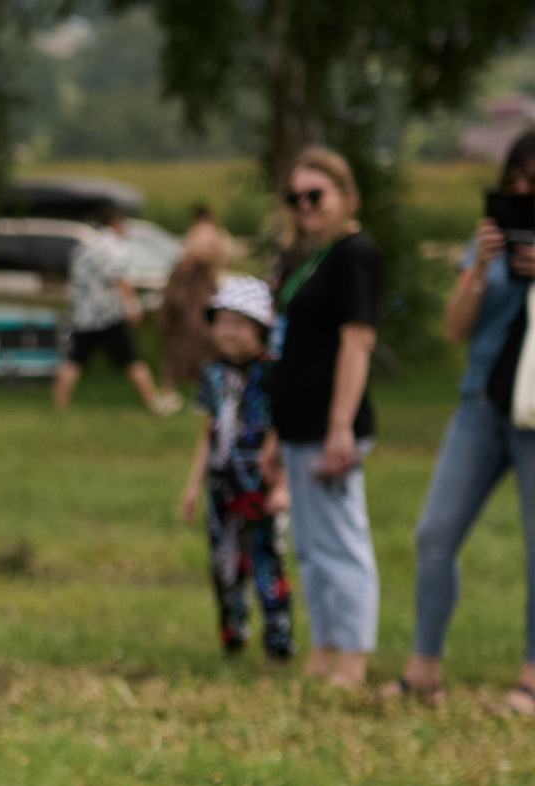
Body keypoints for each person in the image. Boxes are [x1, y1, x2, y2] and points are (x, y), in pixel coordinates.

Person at [389, 130, 535, 715]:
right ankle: (423, 671)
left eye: (533, 185)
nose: (522, 193)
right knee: (435, 534)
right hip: (481, 403)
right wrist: (478, 267)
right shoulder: (488, 249)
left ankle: (530, 680)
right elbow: (453, 328)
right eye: (514, 184)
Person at [269, 147, 383, 691]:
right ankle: (325, 647)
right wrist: (275, 429)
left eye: (317, 196)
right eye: (297, 197)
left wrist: (341, 425)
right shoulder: (311, 256)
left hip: (330, 423)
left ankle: (353, 659)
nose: (305, 206)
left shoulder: (355, 253)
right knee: (310, 547)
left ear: (345, 195)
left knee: (342, 542)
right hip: (295, 422)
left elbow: (357, 340)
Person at [179, 276, 292, 661]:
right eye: (222, 321)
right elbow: (209, 431)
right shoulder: (212, 373)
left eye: (240, 323)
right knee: (224, 563)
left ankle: (278, 640)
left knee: (267, 559)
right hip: (221, 484)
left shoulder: (274, 373)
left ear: (260, 328)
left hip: (262, 483)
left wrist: (283, 486)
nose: (229, 332)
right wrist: (193, 485)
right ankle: (233, 633)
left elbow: (287, 430)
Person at [54, 203, 178, 415]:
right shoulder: (113, 247)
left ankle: (59, 406)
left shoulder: (87, 245)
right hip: (107, 316)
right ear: (116, 223)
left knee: (73, 361)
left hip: (84, 315)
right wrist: (132, 306)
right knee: (133, 361)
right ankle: (154, 404)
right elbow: (121, 279)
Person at [158, 204, 232, 399]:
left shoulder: (210, 235)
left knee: (201, 339)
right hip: (188, 291)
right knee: (175, 341)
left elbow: (213, 259)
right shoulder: (212, 235)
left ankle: (203, 390)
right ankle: (172, 389)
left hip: (198, 292)